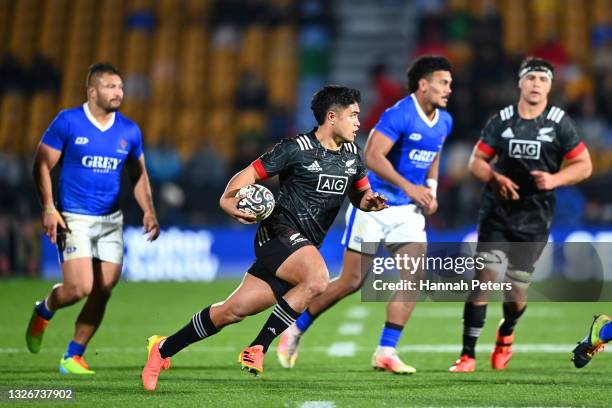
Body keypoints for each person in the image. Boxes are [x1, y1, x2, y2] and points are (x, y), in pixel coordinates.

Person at [141, 85, 388, 391]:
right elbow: (248, 174)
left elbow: (360, 194)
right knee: (318, 278)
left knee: (232, 311)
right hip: (277, 233)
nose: (358, 122)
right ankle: (258, 347)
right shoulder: (294, 148)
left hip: (303, 247)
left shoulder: (353, 155)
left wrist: (369, 202)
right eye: (353, 115)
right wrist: (227, 200)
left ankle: (162, 349)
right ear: (331, 117)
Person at [277, 56, 453, 374]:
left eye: (450, 83)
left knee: (414, 279)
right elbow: (372, 156)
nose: (449, 89)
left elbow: (435, 152)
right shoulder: (398, 115)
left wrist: (431, 188)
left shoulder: (444, 120)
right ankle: (294, 327)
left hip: (409, 213)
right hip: (374, 205)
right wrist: (410, 188)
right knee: (352, 281)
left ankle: (386, 351)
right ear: (423, 84)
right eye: (443, 82)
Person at [449, 57, 592, 373]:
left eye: (543, 79)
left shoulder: (559, 123)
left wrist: (555, 179)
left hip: (535, 217)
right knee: (483, 278)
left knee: (515, 293)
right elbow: (476, 161)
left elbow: (585, 165)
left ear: (550, 86)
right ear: (520, 83)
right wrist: (495, 178)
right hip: (497, 212)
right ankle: (467, 355)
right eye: (532, 78)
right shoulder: (501, 120)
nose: (537, 84)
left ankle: (506, 332)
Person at [26, 62, 160, 374]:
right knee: (79, 288)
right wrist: (48, 207)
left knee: (104, 288)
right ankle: (44, 310)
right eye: (111, 87)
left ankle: (73, 355)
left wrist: (149, 210)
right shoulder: (68, 122)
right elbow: (41, 165)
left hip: (111, 221)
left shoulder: (129, 130)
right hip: (74, 217)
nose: (118, 92)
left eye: (121, 87)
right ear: (92, 90)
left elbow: (138, 174)